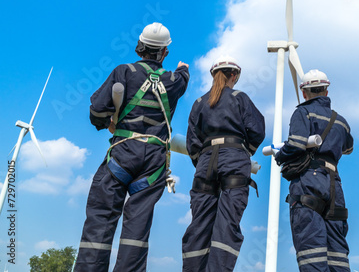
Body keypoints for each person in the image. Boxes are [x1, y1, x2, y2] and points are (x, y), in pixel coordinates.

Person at [74, 22, 190, 272]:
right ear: (164, 53)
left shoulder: (123, 72)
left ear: (140, 47)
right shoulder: (174, 81)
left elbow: (96, 111)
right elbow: (183, 77)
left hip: (122, 155)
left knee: (101, 220)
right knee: (136, 232)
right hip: (154, 165)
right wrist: (182, 70)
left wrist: (108, 122)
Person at [182, 55, 265, 272]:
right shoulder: (240, 98)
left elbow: (192, 141)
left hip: (206, 162)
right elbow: (258, 130)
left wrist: (202, 163)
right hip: (234, 160)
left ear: (213, 76)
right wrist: (245, 152)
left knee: (198, 226)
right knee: (227, 225)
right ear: (234, 76)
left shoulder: (199, 103)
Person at [274, 69, 353, 272]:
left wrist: (280, 155)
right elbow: (348, 148)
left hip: (310, 183)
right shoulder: (341, 121)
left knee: (312, 254)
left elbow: (297, 144)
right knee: (338, 257)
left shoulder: (303, 112)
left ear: (304, 92)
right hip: (335, 187)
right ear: (326, 92)